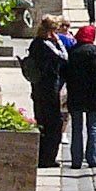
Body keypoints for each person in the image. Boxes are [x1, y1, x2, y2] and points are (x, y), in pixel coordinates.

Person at [63, 24, 96, 170]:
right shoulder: (95, 51)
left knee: (76, 128)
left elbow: (65, 72)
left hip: (75, 94)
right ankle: (93, 158)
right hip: (93, 95)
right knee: (93, 127)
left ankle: (76, 160)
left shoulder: (72, 50)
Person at [22, 14, 67, 167]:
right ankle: (47, 158)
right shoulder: (46, 45)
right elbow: (63, 58)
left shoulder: (35, 43)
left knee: (43, 122)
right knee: (53, 124)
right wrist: (59, 42)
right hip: (48, 90)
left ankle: (44, 157)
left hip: (39, 89)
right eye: (56, 30)